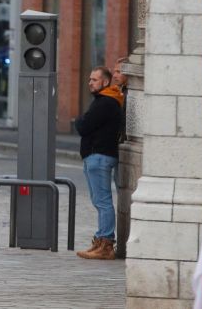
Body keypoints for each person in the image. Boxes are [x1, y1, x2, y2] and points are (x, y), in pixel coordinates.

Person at [75, 66, 124, 260]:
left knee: (103, 202)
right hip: (97, 155)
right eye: (89, 79)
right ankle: (101, 240)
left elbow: (83, 125)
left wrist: (81, 121)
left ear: (105, 82)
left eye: (94, 80)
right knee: (99, 201)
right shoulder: (105, 100)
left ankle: (106, 244)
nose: (90, 83)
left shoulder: (106, 102)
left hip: (99, 156)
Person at [113, 57, 129, 143]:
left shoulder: (130, 93)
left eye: (118, 72)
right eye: (114, 71)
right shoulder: (121, 91)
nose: (114, 75)